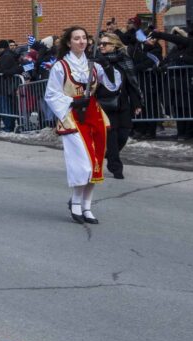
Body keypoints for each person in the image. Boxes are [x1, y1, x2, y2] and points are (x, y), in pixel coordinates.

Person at [44, 27, 120, 225]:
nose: (81, 41)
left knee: (95, 163)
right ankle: (76, 201)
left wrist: (109, 65)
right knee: (82, 164)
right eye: (76, 38)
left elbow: (112, 86)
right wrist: (72, 102)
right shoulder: (60, 66)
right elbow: (51, 94)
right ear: (69, 43)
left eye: (84, 38)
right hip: (72, 115)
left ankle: (87, 205)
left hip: (94, 114)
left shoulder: (94, 65)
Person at [95, 34, 143, 180]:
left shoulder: (124, 61)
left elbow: (131, 84)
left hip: (122, 103)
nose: (101, 46)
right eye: (100, 44)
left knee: (124, 133)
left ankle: (109, 154)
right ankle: (116, 167)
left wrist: (136, 103)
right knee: (112, 135)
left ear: (114, 45)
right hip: (105, 104)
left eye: (105, 44)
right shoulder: (97, 62)